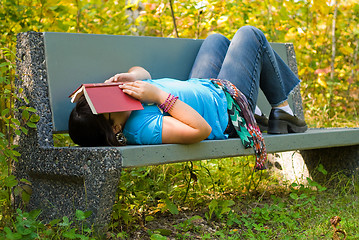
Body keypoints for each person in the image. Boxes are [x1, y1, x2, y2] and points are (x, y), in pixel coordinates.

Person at [68, 26, 307, 169]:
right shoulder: (142, 128)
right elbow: (200, 130)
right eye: (110, 106)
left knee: (216, 39)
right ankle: (281, 111)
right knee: (250, 34)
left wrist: (129, 77)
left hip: (207, 87)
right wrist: (159, 95)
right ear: (116, 128)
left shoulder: (129, 100)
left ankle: (253, 111)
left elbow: (145, 74)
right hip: (227, 110)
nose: (115, 98)